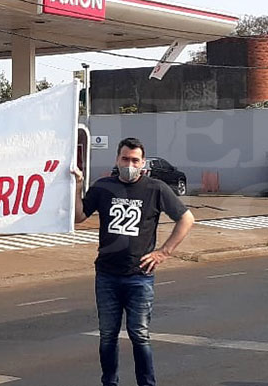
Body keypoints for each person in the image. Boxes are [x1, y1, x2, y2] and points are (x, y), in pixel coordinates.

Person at [73, 137, 195, 386]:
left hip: (139, 276)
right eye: (125, 159)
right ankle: (109, 382)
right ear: (117, 160)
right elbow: (79, 216)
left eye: (135, 160)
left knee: (139, 335)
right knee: (107, 336)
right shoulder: (103, 187)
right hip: (107, 274)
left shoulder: (156, 188)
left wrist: (164, 252)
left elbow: (186, 219)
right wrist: (77, 186)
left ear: (143, 163)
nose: (130, 164)